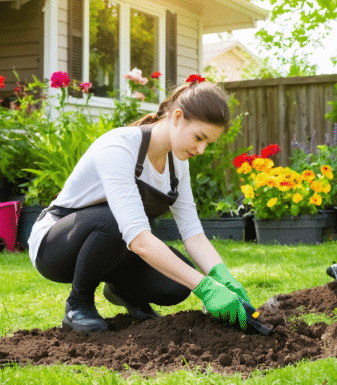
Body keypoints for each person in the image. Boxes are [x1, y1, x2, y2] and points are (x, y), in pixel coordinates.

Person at [27, 79, 252, 332]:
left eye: (208, 143)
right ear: (177, 117)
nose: (201, 149)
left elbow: (193, 234)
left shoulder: (178, 165)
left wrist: (222, 278)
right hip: (56, 247)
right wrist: (206, 288)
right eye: (199, 138)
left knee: (177, 284)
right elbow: (139, 240)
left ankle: (123, 291)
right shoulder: (119, 147)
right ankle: (78, 304)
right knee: (112, 221)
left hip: (118, 249)